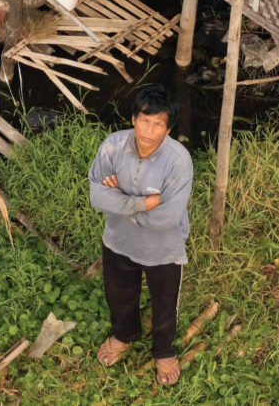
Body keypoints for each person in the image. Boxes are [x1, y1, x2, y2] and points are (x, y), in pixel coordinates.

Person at [89, 85, 193, 386]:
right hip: (118, 241)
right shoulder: (113, 145)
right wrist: (141, 203)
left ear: (168, 128)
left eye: (158, 124)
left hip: (164, 249)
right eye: (145, 120)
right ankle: (124, 334)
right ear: (134, 118)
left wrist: (119, 200)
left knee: (164, 303)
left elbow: (167, 218)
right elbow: (97, 197)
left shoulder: (178, 161)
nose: (149, 130)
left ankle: (163, 351)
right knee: (119, 294)